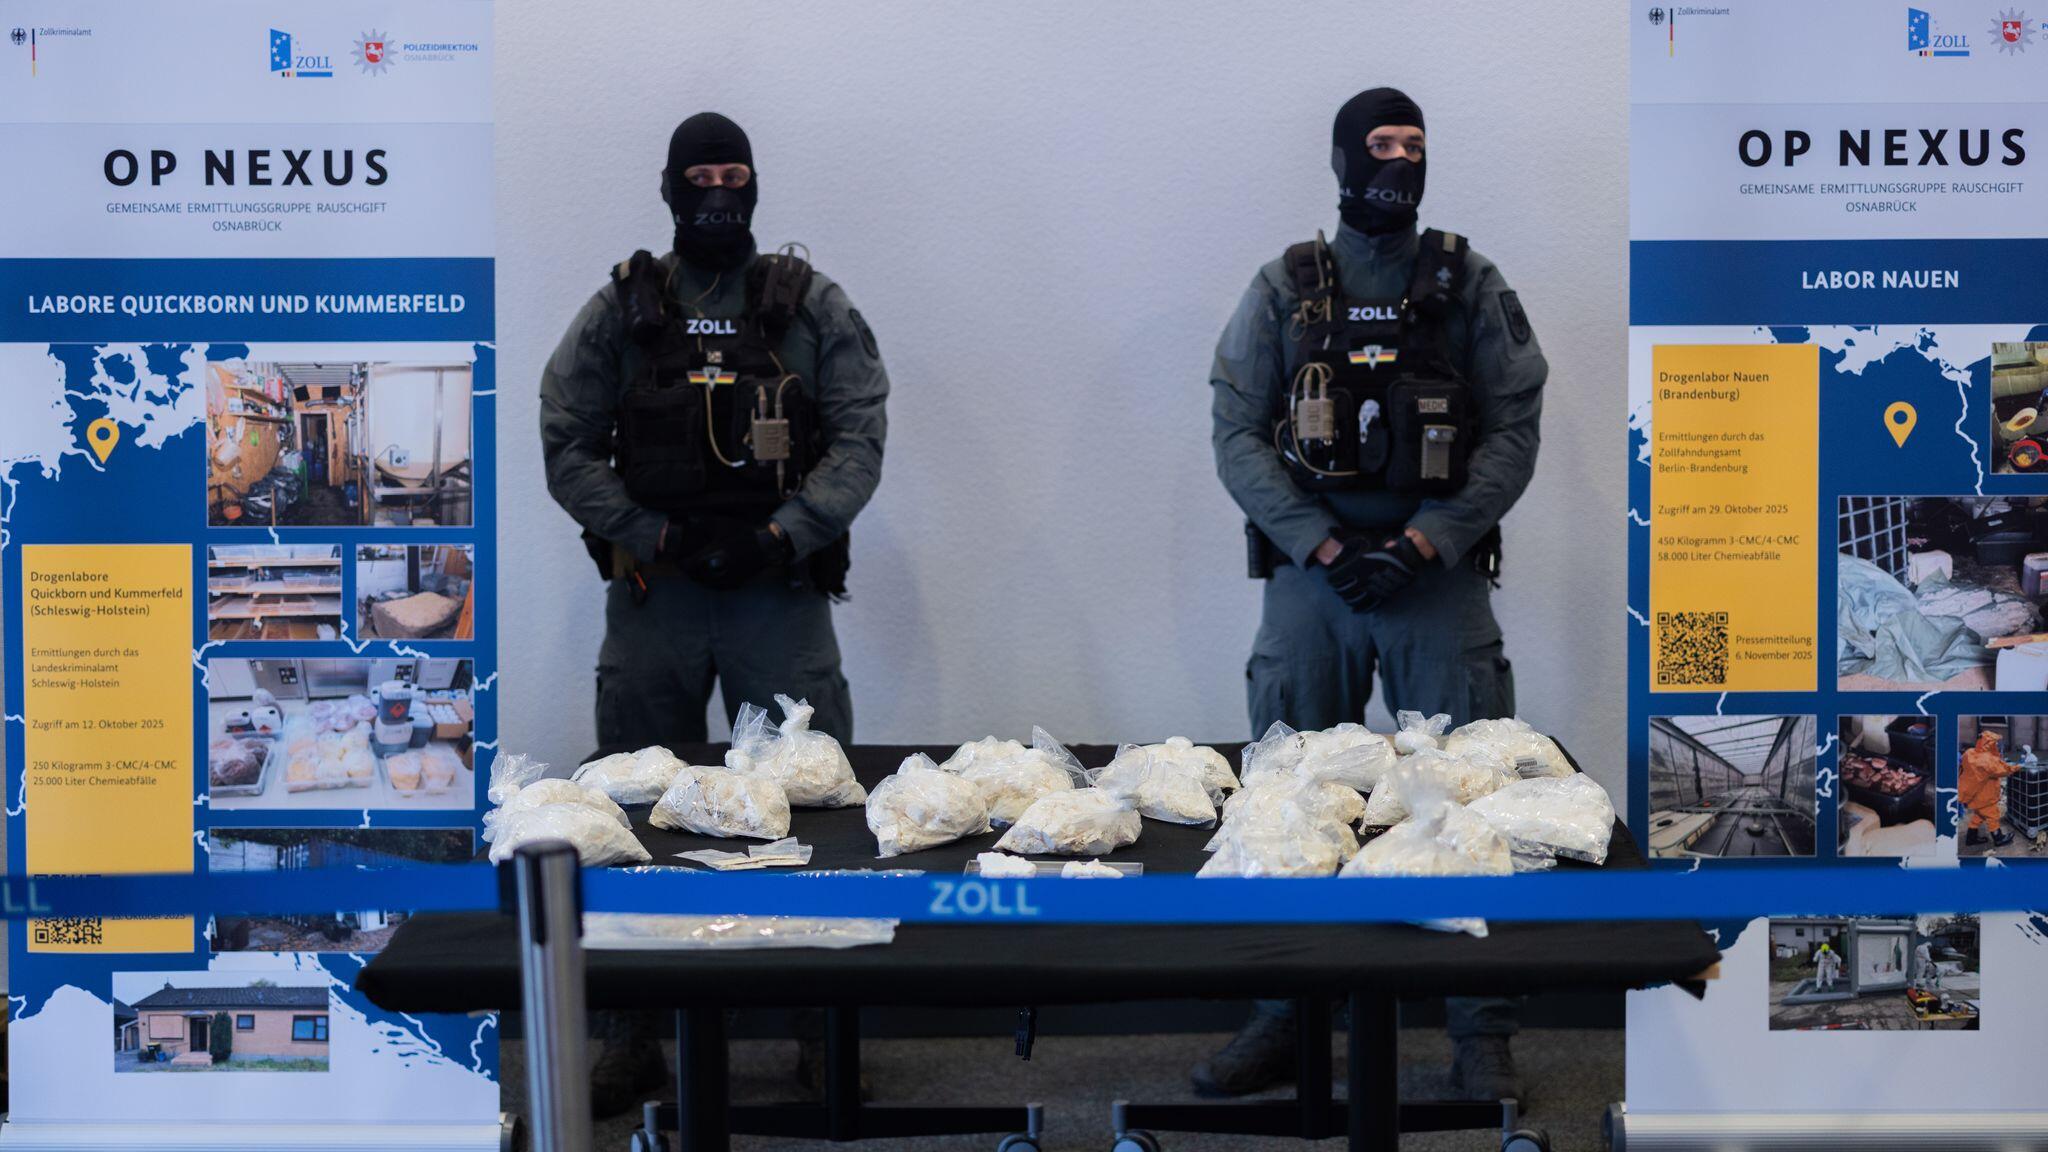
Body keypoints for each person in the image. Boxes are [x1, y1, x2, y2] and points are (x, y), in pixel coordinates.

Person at [1200, 87, 1547, 1101]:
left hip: (1432, 579)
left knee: (1469, 797)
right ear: (1343, 159)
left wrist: (1427, 540)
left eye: (1414, 144)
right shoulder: (1285, 287)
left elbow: (1514, 428)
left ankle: (1481, 1032)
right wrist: (1316, 543)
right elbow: (1235, 429)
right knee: (1287, 800)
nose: (1398, 161)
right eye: (1380, 144)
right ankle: (1284, 1016)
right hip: (1313, 581)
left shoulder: (1467, 282)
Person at [539, 111, 889, 1114]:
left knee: (811, 805)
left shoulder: (809, 304)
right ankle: (634, 1035)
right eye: (700, 177)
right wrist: (653, 534)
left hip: (777, 590)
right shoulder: (623, 309)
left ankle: (822, 1029)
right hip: (657, 592)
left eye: (735, 175)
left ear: (755, 185)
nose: (718, 194)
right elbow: (565, 438)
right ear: (668, 188)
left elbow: (859, 437)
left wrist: (783, 534)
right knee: (629, 810)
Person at [1958, 730, 2017, 849]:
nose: (1997, 745)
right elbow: (2003, 771)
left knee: (1978, 816)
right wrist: (2018, 767)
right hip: (1986, 796)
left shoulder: (1969, 753)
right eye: (1995, 743)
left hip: (1975, 795)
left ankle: (1971, 838)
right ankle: (1999, 838)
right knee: (1993, 816)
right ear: (1989, 743)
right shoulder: (1987, 759)